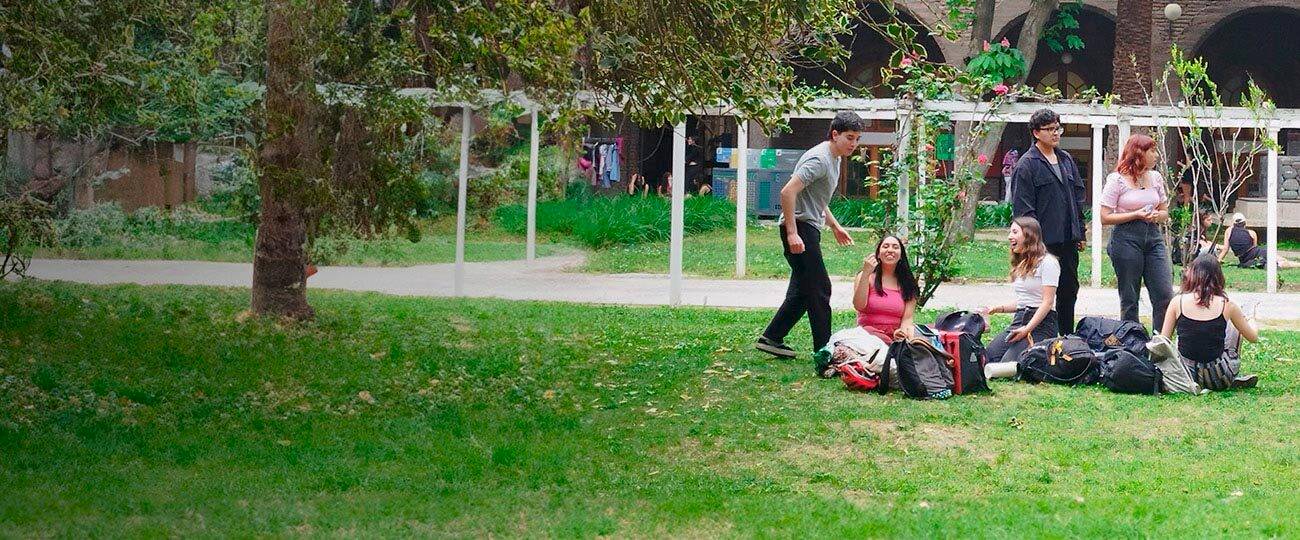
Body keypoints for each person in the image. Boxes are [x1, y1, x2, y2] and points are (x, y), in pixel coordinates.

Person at [755, 111, 862, 358]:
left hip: (809, 227)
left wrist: (835, 226)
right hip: (800, 229)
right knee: (820, 288)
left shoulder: (834, 158)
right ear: (835, 134)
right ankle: (824, 351)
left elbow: (816, 197)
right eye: (849, 137)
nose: (853, 144)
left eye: (857, 138)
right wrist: (793, 233)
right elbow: (787, 192)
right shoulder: (819, 159)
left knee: (803, 289)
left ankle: (772, 337)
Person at [1011, 108, 1086, 335]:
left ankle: (1066, 338)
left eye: (1058, 128)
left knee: (1069, 290)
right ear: (1036, 133)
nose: (1055, 133)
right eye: (1049, 129)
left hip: (1068, 240)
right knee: (1041, 295)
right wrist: (1033, 244)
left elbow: (1077, 198)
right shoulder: (1026, 165)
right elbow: (1024, 210)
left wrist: (1080, 232)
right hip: (1043, 243)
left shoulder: (1066, 159)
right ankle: (1039, 336)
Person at [1148, 255, 1260, 390]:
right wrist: (1251, 319)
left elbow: (1164, 341)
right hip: (1218, 377)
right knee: (1234, 325)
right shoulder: (1228, 305)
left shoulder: (1177, 302)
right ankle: (1232, 375)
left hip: (1185, 375)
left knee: (1180, 338)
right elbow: (1253, 338)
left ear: (1193, 274)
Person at [1099, 133, 1174, 333]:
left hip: (1153, 237)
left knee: (1165, 294)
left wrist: (1158, 216)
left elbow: (1165, 211)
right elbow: (1104, 217)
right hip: (1126, 238)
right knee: (1130, 297)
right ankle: (1132, 343)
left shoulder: (1156, 177)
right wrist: (1135, 214)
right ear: (1139, 153)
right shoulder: (1117, 180)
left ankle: (1161, 343)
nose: (1156, 155)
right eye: (1152, 151)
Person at [979, 217, 1061, 365]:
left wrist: (1027, 329)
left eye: (1015, 232)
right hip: (1020, 320)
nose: (1010, 236)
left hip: (1041, 324)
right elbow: (1025, 301)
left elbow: (1047, 302)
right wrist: (998, 308)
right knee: (988, 358)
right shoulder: (1022, 263)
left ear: (1029, 236)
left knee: (1009, 364)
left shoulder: (1048, 262)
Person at [852, 235, 920, 343]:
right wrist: (865, 274)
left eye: (895, 247)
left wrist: (902, 333)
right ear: (878, 254)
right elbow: (859, 306)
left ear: (901, 255)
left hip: (894, 338)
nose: (890, 250)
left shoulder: (909, 283)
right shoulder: (866, 276)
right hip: (867, 337)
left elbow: (907, 319)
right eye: (885, 246)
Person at [1219, 213, 1300, 268]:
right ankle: (1297, 264)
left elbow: (1225, 249)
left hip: (1245, 259)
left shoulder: (1228, 231)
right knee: (1281, 261)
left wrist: (1218, 260)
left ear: (1233, 223)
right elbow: (1255, 247)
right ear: (1245, 223)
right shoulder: (1252, 233)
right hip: (1258, 253)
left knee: (1278, 263)